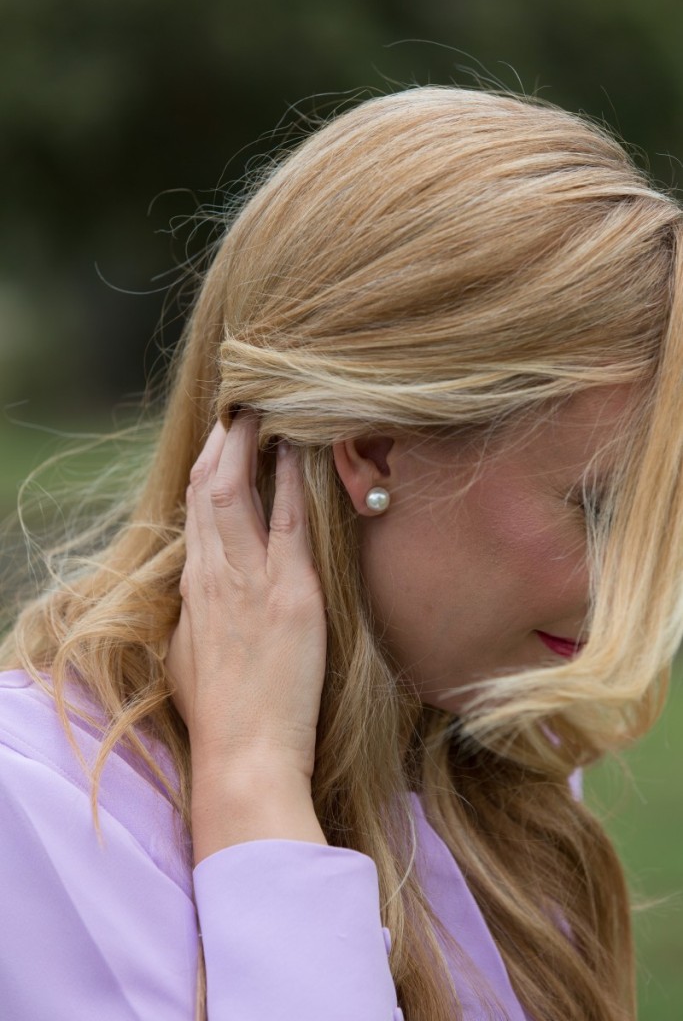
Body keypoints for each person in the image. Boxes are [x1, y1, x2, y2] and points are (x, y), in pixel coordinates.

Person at [1, 84, 682, 1021]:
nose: (650, 588)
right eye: (600, 512)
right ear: (368, 447)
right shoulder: (34, 811)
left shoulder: (497, 759)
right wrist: (252, 791)